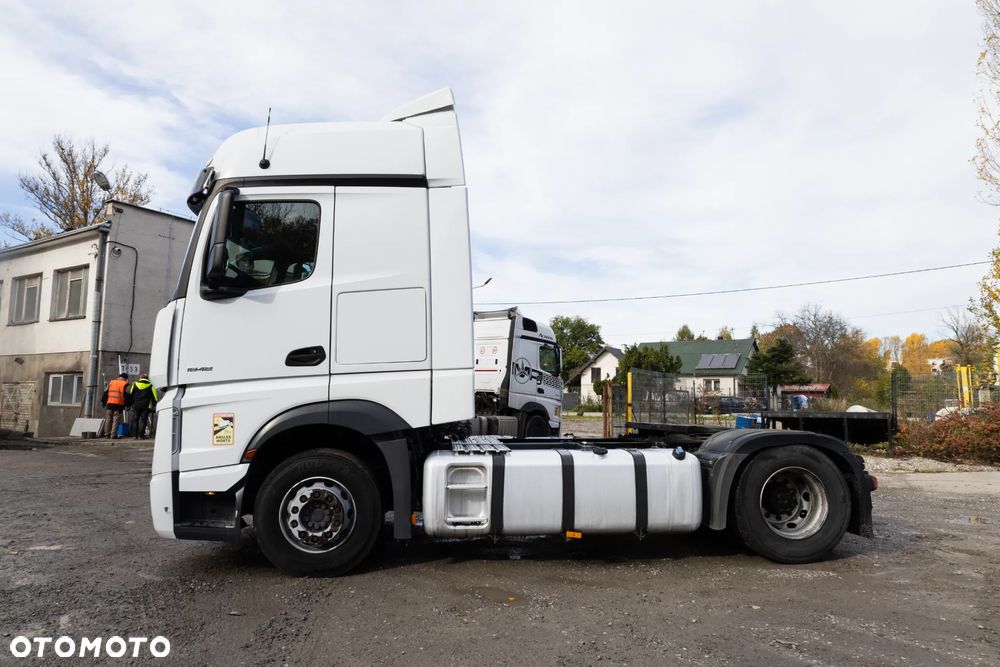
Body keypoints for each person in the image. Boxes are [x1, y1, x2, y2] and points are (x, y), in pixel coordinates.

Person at [128, 374, 161, 439]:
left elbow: (131, 395)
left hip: (136, 405)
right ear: (147, 379)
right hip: (146, 406)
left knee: (135, 420)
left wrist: (130, 404)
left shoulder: (134, 384)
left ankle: (134, 435)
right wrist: (154, 406)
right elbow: (154, 397)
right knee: (143, 420)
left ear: (140, 378)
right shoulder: (151, 386)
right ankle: (141, 436)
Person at [100, 373, 130, 439]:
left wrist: (103, 402)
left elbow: (106, 392)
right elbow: (126, 396)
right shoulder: (125, 384)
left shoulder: (112, 382)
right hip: (118, 405)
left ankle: (107, 434)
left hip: (110, 404)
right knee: (116, 420)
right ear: (125, 378)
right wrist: (128, 405)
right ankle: (113, 435)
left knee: (108, 419)